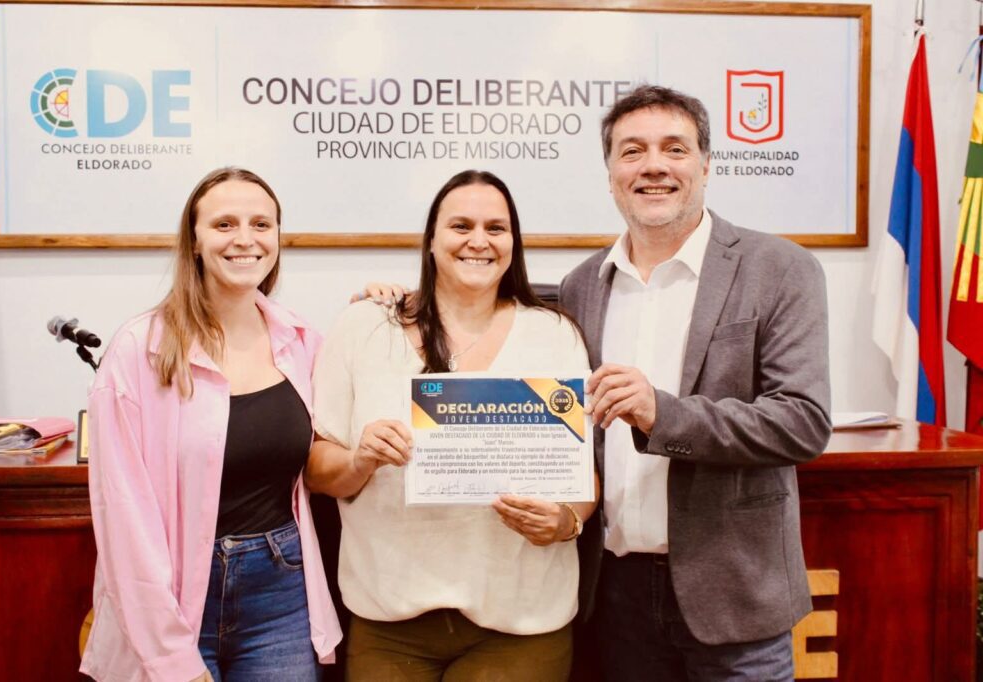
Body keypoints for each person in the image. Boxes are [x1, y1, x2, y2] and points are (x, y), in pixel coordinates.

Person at [561, 84, 831, 680]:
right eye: (632, 151)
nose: (653, 165)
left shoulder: (780, 269)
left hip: (735, 594)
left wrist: (662, 414)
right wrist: (402, 307)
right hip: (613, 597)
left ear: (706, 165)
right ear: (610, 175)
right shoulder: (582, 285)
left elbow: (803, 421)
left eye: (674, 148)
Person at [305, 169, 597, 681]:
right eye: (461, 226)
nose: (478, 241)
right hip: (388, 615)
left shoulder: (554, 334)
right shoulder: (364, 326)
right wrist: (359, 460)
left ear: (513, 243)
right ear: (431, 240)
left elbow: (581, 474)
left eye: (496, 228)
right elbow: (316, 468)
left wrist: (566, 521)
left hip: (523, 617)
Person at [80, 167, 342, 682]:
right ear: (194, 241)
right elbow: (125, 518)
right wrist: (171, 656)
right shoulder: (138, 350)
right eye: (224, 224)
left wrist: (380, 311)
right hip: (175, 600)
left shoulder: (301, 340)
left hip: (280, 592)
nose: (245, 239)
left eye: (261, 224)